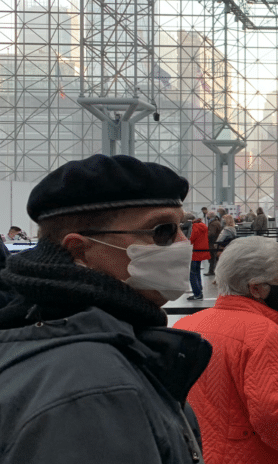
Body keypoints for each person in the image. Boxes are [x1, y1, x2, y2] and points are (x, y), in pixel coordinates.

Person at [0, 154, 212, 462]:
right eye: (162, 231)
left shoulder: (38, 328)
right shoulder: (94, 389)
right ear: (80, 250)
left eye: (184, 228)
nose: (183, 243)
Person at [174, 237, 278, 463]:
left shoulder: (185, 326)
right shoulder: (261, 332)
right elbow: (272, 414)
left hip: (203, 451)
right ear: (256, 288)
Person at [188, 214, 211, 301]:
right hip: (201, 251)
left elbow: (192, 238)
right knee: (197, 272)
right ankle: (199, 290)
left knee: (192, 273)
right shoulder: (203, 225)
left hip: (195, 252)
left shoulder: (195, 226)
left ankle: (197, 293)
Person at [206, 210, 221, 275]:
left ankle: (211, 271)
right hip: (215, 242)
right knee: (213, 257)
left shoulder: (213, 223)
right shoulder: (216, 222)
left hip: (212, 242)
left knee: (212, 257)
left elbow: (212, 233)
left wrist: (205, 235)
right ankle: (212, 270)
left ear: (210, 216)